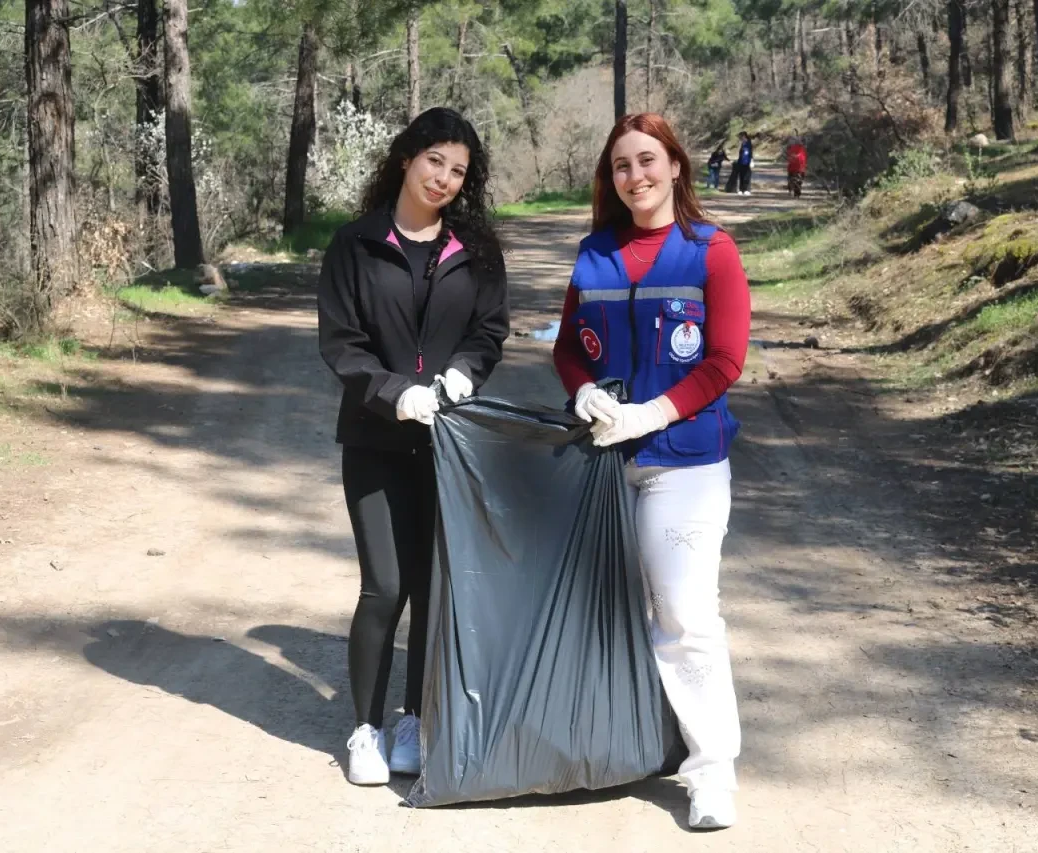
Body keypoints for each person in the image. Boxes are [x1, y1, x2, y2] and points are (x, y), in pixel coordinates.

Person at [552, 113, 751, 830]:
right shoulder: (594, 254)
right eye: (621, 166)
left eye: (646, 160)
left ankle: (711, 770)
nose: (635, 176)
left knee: (685, 614)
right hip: (604, 464)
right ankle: (618, 744)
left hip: (685, 463)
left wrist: (653, 413)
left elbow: (725, 359)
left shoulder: (710, 250)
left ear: (674, 165)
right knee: (605, 616)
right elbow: (569, 347)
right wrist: (582, 389)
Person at [317, 107, 509, 787]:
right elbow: (340, 342)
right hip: (374, 436)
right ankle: (364, 728)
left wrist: (461, 373)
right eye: (435, 161)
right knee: (386, 585)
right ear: (406, 157)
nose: (445, 179)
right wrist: (394, 390)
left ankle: (412, 718)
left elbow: (488, 331)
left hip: (448, 443)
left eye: (458, 170)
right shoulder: (355, 244)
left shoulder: (476, 250)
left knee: (432, 587)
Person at [785, 133, 807, 199]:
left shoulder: (794, 148)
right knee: (797, 180)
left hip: (796, 166)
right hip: (799, 167)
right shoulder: (801, 148)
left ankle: (793, 191)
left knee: (793, 178)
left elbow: (789, 156)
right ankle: (796, 193)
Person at [735, 131, 754, 196]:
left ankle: (747, 189)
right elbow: (740, 154)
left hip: (747, 162)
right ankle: (741, 189)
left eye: (741, 136)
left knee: (747, 176)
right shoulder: (742, 144)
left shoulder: (749, 143)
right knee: (741, 176)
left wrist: (751, 161)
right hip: (741, 162)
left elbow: (750, 153)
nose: (740, 138)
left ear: (744, 136)